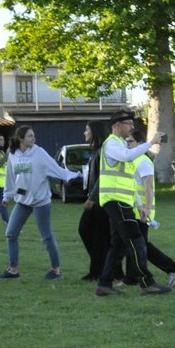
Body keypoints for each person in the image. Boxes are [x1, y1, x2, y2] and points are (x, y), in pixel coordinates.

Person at [95, 111, 171, 296]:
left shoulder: (120, 144)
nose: (132, 127)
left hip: (122, 202)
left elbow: (128, 180)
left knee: (119, 244)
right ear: (116, 125)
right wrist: (151, 142)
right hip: (116, 201)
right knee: (136, 241)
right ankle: (146, 283)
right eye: (128, 123)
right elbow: (128, 157)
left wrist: (139, 205)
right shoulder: (112, 143)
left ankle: (104, 284)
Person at [0, 125, 81, 280]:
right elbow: (10, 177)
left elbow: (55, 168)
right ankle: (13, 270)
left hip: (41, 201)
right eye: (29, 136)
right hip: (22, 201)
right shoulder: (13, 154)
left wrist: (72, 176)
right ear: (20, 138)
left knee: (46, 237)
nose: (33, 139)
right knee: (10, 233)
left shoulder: (39, 153)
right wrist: (7, 196)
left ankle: (55, 270)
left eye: (33, 136)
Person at [134, 148, 175, 288]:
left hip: (141, 212)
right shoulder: (132, 160)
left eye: (131, 141)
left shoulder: (143, 161)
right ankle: (129, 276)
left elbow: (148, 186)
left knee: (141, 245)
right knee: (135, 244)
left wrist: (147, 209)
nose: (127, 144)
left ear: (139, 143)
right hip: (135, 210)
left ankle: (172, 268)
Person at [77, 119, 111, 281]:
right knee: (89, 232)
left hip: (100, 200)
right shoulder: (97, 150)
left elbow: (103, 176)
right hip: (96, 199)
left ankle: (99, 270)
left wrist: (92, 198)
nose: (84, 133)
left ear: (95, 132)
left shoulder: (103, 150)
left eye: (87, 130)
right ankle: (100, 268)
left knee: (95, 235)